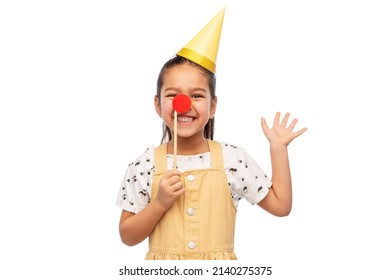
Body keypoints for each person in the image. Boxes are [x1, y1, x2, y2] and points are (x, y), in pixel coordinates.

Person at [116, 9, 307, 260]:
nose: (185, 104)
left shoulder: (233, 159)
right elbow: (127, 237)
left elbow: (281, 207)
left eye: (197, 96)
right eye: (173, 95)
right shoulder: (144, 165)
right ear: (157, 104)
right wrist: (159, 203)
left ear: (213, 105)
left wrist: (278, 148)